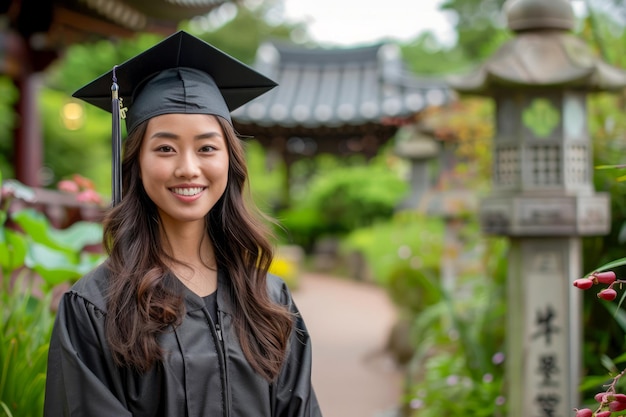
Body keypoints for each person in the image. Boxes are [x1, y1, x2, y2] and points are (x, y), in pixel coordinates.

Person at [44, 30, 322, 417]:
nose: (188, 168)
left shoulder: (268, 301)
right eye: (165, 148)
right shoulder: (97, 307)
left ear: (230, 161)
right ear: (136, 163)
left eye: (207, 147)